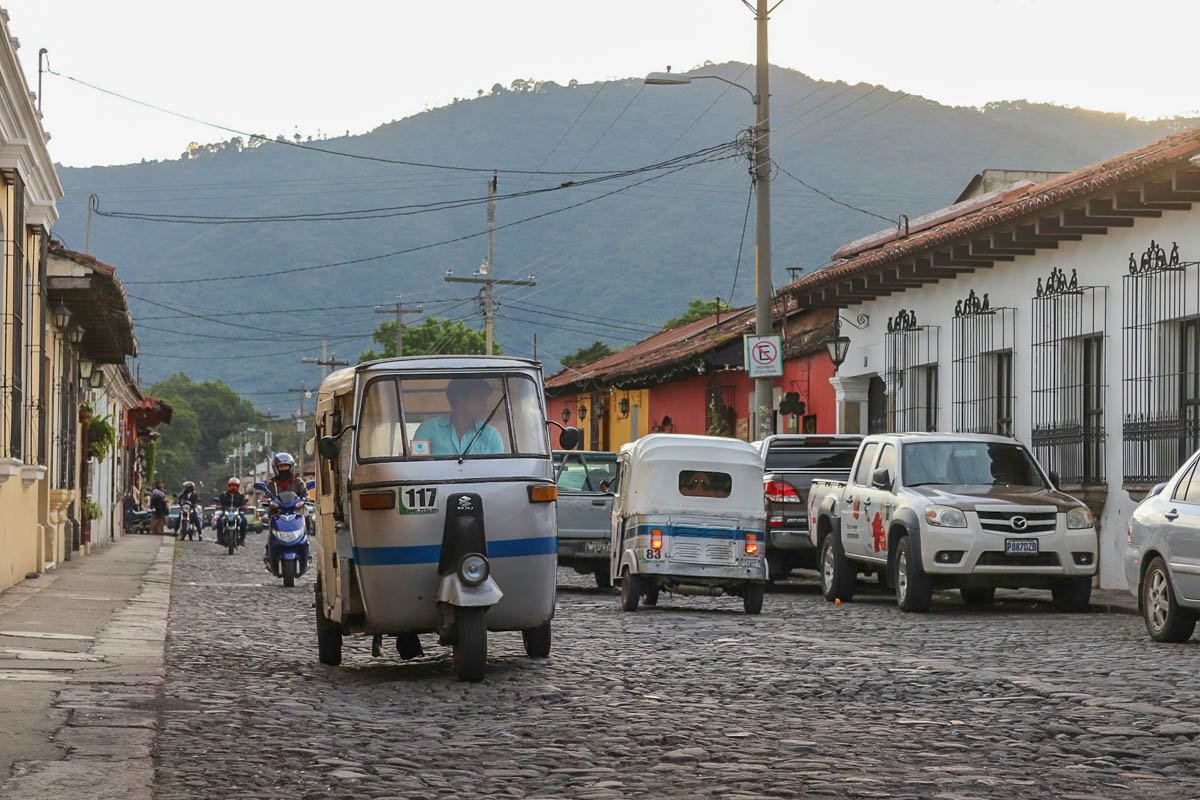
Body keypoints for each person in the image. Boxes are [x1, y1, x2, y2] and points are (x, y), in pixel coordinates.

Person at [412, 378, 504, 457]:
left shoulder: (491, 436)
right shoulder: (428, 429)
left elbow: (500, 472)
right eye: (480, 399)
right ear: (461, 399)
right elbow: (417, 467)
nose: (485, 405)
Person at [263, 453, 308, 565]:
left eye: (286, 466)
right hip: (277, 512)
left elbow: (304, 493)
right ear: (276, 468)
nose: (283, 469)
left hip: (295, 511)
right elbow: (267, 495)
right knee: (270, 526)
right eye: (281, 467)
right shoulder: (271, 483)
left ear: (291, 467)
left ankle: (305, 546)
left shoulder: (298, 481)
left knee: (306, 518)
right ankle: (270, 549)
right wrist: (267, 500)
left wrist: (305, 498)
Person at [216, 477, 248, 545]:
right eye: (232, 485)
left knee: (244, 520)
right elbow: (219, 502)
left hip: (237, 512)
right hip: (226, 512)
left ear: (238, 486)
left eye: (235, 485)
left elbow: (243, 503)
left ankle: (242, 539)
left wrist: (244, 507)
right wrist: (219, 505)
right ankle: (219, 538)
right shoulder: (224, 495)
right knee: (219, 520)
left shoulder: (241, 495)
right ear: (229, 486)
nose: (233, 487)